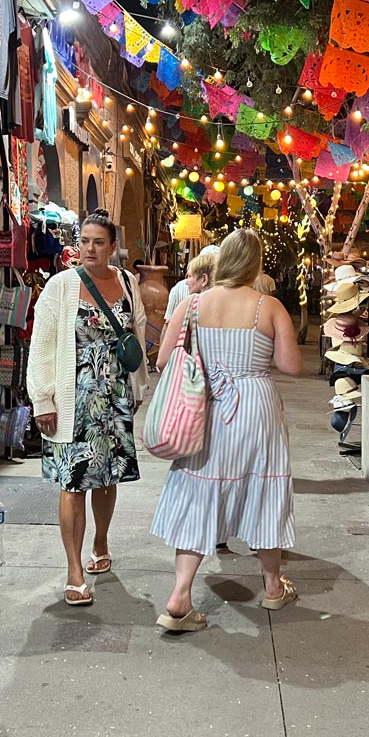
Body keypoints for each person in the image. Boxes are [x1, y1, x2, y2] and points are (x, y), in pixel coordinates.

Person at [150, 229, 302, 632]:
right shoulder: (268, 307)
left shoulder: (193, 304)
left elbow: (164, 360)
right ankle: (272, 587)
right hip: (255, 407)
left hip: (206, 405)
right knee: (263, 489)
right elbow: (290, 365)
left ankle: (180, 596)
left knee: (200, 490)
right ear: (255, 264)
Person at [28, 209, 149, 607]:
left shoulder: (128, 282)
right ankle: (73, 570)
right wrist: (42, 400)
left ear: (113, 247)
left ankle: (101, 541)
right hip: (72, 400)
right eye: (84, 241)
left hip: (113, 399)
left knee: (107, 477)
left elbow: (137, 335)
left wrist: (138, 386)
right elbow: (42, 346)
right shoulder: (60, 287)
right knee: (73, 481)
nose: (91, 249)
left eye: (99, 242)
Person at [161, 248, 218, 343]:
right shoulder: (227, 304)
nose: (187, 282)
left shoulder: (189, 304)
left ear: (204, 279)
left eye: (190, 276)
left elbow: (167, 327)